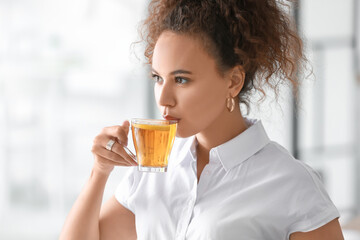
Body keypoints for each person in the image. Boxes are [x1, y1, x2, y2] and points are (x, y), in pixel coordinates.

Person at [60, 0, 345, 239]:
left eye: (182, 79)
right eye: (158, 78)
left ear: (233, 81)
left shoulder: (291, 183)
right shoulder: (152, 170)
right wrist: (100, 171)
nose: (163, 99)